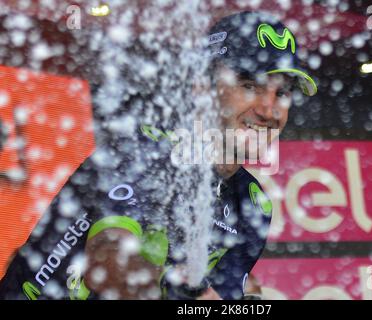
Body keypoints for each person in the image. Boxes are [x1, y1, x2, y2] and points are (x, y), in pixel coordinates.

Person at [0, 10, 316, 300]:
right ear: (202, 87)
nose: (268, 109)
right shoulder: (143, 153)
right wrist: (182, 285)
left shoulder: (252, 204)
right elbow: (110, 264)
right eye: (250, 85)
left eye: (282, 93)